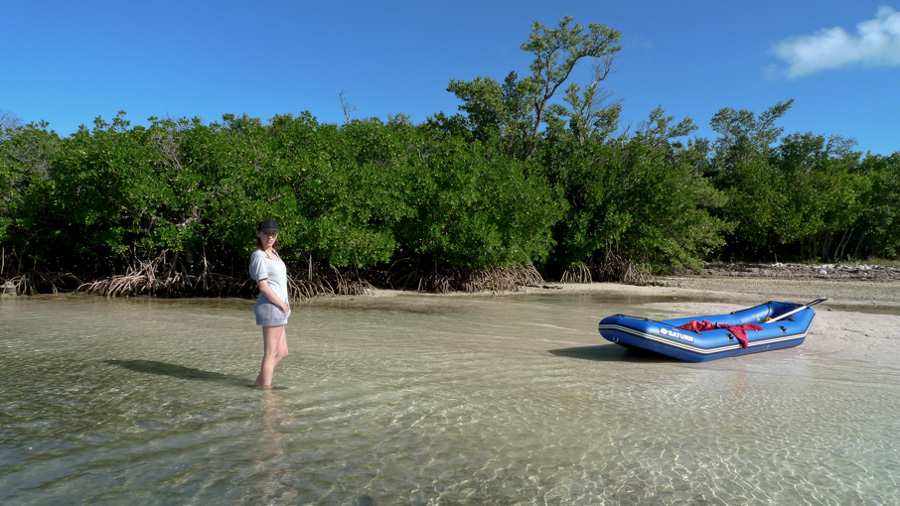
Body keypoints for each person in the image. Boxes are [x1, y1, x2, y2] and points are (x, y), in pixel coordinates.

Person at [248, 219, 291, 388]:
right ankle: (266, 393)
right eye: (267, 233)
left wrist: (283, 306)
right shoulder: (258, 256)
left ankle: (259, 382)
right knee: (270, 353)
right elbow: (263, 286)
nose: (270, 237)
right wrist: (282, 304)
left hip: (279, 307)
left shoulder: (274, 254)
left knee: (282, 352)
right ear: (259, 233)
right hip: (271, 307)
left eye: (273, 234)